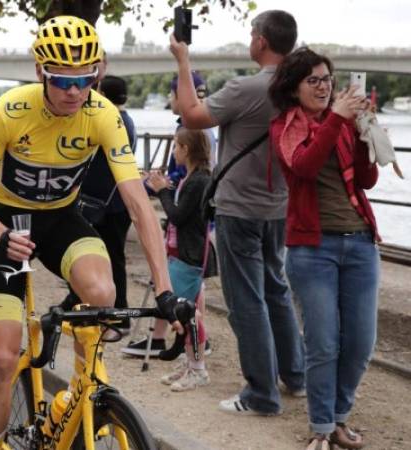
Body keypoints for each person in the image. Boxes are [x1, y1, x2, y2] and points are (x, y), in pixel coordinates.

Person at [0, 16, 182, 450]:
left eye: (86, 79)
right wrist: (0, 235)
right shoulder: (9, 111)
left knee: (102, 293)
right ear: (41, 72)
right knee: (3, 358)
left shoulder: (102, 114)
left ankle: (85, 393)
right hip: (7, 222)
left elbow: (138, 204)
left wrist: (165, 290)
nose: (75, 92)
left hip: (60, 218)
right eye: (62, 80)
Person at [169, 9, 306, 416]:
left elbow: (192, 117)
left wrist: (182, 60)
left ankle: (261, 393)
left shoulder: (248, 87)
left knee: (246, 300)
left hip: (239, 208)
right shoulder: (299, 86)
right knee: (276, 289)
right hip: (279, 207)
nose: (250, 39)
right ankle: (295, 376)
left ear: (262, 41)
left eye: (251, 33)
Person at [269, 47, 379, 450]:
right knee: (324, 344)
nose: (323, 86)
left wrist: (366, 132)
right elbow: (304, 167)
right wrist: (337, 119)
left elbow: (366, 181)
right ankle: (322, 425)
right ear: (294, 87)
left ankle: (338, 417)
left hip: (361, 243)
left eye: (327, 79)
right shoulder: (284, 127)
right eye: (312, 80)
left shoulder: (344, 125)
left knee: (361, 343)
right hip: (311, 250)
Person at [122, 70, 216, 357]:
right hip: (186, 241)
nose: (169, 99)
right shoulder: (200, 130)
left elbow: (180, 210)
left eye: (171, 94)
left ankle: (187, 346)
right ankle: (183, 342)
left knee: (177, 293)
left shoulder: (195, 146)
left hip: (189, 245)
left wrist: (161, 189)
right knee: (187, 294)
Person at [60, 75, 137, 334]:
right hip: (111, 204)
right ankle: (88, 306)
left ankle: (117, 314)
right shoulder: (125, 121)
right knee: (106, 257)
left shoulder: (116, 122)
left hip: (109, 205)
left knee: (111, 259)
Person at [145, 127, 213, 391]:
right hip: (184, 252)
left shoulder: (198, 180)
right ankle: (191, 365)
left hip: (189, 255)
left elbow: (178, 215)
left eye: (176, 146)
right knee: (190, 311)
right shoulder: (194, 177)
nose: (174, 151)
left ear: (186, 149)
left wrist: (162, 191)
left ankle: (197, 368)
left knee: (187, 314)